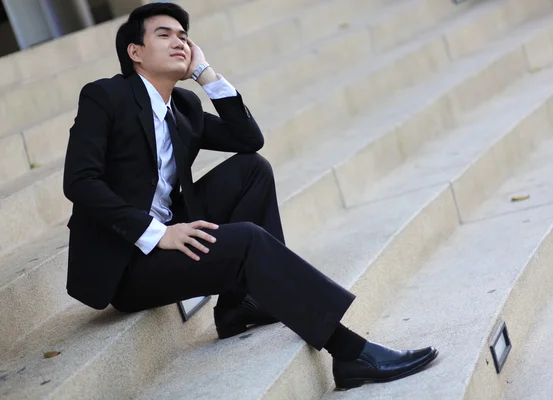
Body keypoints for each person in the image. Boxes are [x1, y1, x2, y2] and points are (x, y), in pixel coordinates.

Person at [62, 2, 438, 390]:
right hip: (128, 262)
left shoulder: (184, 106)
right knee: (246, 240)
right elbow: (80, 181)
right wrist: (158, 233)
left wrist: (206, 76)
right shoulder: (105, 97)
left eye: (184, 36)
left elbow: (247, 139)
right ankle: (350, 353)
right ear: (135, 52)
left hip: (169, 230)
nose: (180, 42)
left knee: (252, 169)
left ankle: (242, 304)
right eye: (165, 34)